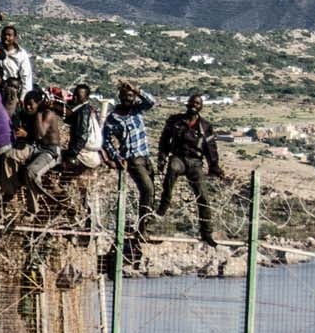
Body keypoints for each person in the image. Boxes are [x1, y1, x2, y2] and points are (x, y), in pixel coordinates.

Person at [157, 92, 226, 247]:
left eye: (198, 103)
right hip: (178, 157)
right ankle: (163, 205)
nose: (194, 105)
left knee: (203, 197)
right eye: (192, 102)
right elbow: (164, 140)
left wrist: (214, 166)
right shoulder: (175, 121)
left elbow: (211, 149)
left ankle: (206, 232)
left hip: (195, 162)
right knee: (172, 169)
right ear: (187, 104)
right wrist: (162, 158)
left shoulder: (205, 126)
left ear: (201, 107)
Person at [101, 80, 158, 234]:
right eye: (126, 96)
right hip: (132, 159)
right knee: (147, 189)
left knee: (153, 190)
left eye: (132, 96)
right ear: (120, 97)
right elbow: (105, 140)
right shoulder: (114, 118)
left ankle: (147, 223)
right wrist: (116, 157)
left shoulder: (137, 110)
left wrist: (138, 90)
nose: (129, 99)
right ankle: (142, 228)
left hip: (145, 156)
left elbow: (151, 102)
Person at [61, 83, 103, 175]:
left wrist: (71, 154)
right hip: (91, 153)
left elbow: (82, 135)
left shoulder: (83, 112)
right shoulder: (90, 110)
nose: (75, 98)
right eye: (74, 95)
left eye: (78, 96)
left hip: (84, 154)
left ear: (86, 98)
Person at [0, 25, 36, 100]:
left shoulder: (21, 54)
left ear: (15, 38)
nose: (6, 37)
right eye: (4, 35)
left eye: (9, 35)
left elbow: (26, 76)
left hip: (13, 90)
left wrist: (23, 97)